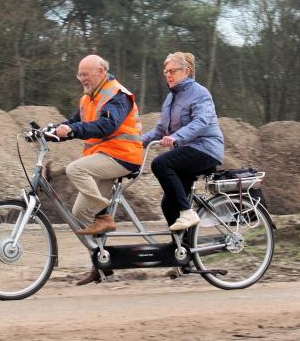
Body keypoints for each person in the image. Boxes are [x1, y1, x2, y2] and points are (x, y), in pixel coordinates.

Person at [54, 54, 144, 285]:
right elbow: (74, 123)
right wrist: (50, 131)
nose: (81, 78)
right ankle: (101, 263)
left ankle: (104, 215)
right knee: (80, 214)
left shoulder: (117, 94)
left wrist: (72, 131)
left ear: (101, 71)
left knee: (75, 169)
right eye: (79, 74)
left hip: (124, 156)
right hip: (103, 158)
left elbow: (107, 125)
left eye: (86, 74)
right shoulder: (87, 99)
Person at [142, 52, 224, 231]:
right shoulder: (171, 98)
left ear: (186, 72)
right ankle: (184, 252)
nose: (168, 75)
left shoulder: (200, 93)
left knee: (161, 164)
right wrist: (136, 143)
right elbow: (160, 129)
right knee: (168, 205)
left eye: (172, 71)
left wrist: (176, 138)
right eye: (166, 72)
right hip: (188, 151)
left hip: (206, 148)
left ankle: (187, 212)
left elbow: (201, 121)